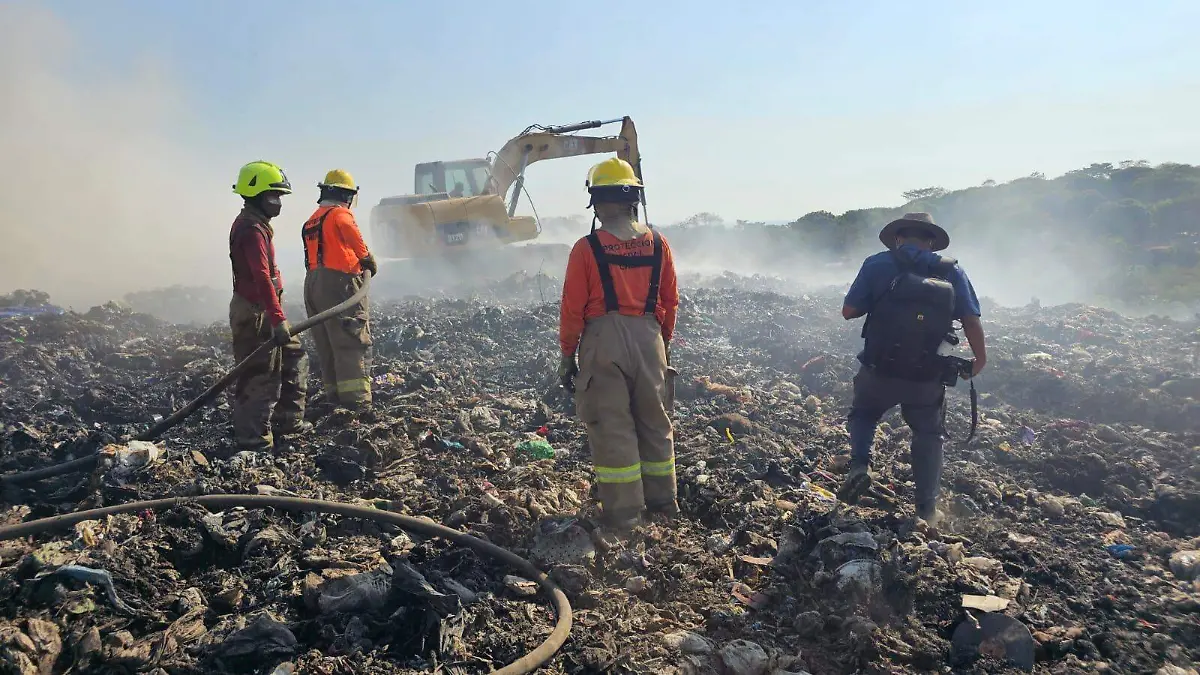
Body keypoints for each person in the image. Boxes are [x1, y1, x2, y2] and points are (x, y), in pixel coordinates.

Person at [838, 212, 987, 523]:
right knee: (929, 434)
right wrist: (980, 360)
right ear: (931, 241)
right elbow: (971, 320)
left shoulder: (878, 264)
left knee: (864, 413)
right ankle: (926, 511)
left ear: (898, 237)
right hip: (926, 376)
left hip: (879, 368)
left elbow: (849, 311)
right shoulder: (952, 272)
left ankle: (860, 466)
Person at [558, 157, 680, 531]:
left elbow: (572, 308)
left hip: (603, 343)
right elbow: (671, 301)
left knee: (613, 425)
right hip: (650, 339)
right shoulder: (659, 244)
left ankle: (625, 512)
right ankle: (664, 501)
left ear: (595, 202)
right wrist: (663, 344)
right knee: (654, 420)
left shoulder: (586, 249)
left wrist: (567, 356)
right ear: (633, 200)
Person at [228, 160, 311, 450]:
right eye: (273, 196)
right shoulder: (251, 230)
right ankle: (254, 440)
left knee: (294, 356)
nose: (278, 203)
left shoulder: (258, 225)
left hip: (263, 308)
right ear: (256, 195)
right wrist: (277, 319)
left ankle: (287, 421)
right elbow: (261, 276)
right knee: (258, 376)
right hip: (255, 313)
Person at [301, 169, 378, 410]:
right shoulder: (340, 215)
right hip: (340, 283)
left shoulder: (313, 219)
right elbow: (353, 236)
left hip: (313, 285)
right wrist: (366, 258)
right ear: (346, 195)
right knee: (351, 340)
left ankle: (333, 397)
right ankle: (356, 403)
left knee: (326, 342)